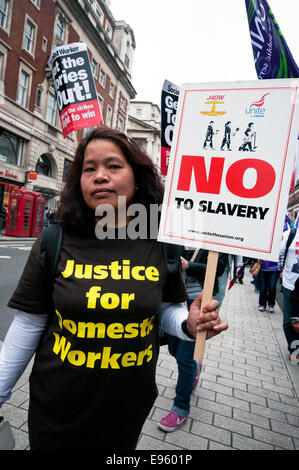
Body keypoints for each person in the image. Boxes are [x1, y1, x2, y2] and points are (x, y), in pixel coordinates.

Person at [0, 127, 228, 450]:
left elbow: (164, 308)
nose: (99, 176)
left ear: (137, 178)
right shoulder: (56, 239)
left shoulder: (158, 241)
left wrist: (187, 324)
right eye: (89, 168)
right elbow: (27, 324)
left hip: (126, 412)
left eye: (113, 166)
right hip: (56, 411)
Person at [158, 248, 228, 432]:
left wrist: (189, 265)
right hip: (175, 301)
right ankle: (196, 368)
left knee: (185, 358)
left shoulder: (216, 235)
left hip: (200, 303)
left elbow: (218, 269)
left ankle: (180, 407)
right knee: (173, 349)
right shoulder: (176, 235)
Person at [280, 227, 299, 359]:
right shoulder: (290, 234)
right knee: (288, 321)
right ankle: (295, 350)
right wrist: (281, 268)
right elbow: (281, 253)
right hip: (289, 283)